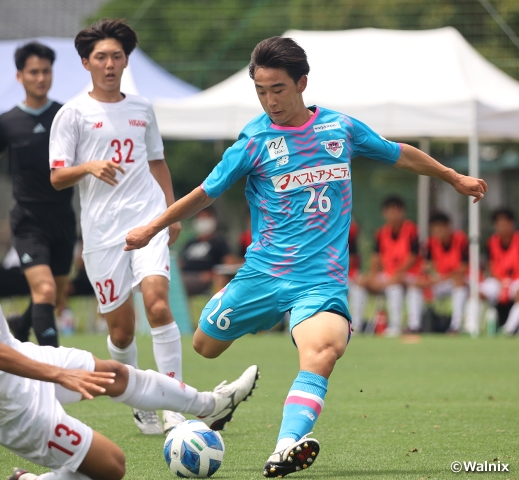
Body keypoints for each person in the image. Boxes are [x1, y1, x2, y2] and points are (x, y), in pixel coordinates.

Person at [0, 57, 259, 480]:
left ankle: (211, 405)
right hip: (3, 399)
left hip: (16, 358)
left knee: (113, 373)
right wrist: (59, 374)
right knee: (112, 467)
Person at [124, 37, 487, 477]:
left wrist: (453, 177)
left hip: (321, 279)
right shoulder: (253, 143)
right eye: (260, 90)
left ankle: (285, 447)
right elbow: (204, 194)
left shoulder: (340, 129)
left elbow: (399, 154)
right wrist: (152, 228)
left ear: (302, 83)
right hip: (262, 275)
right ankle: (226, 396)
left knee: (323, 352)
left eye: (277, 89)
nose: (269, 100)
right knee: (204, 346)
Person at [49, 19, 185, 435]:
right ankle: (139, 398)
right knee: (122, 333)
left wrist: (170, 212)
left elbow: (157, 161)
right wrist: (88, 166)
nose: (110, 64)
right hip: (102, 233)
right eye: (101, 57)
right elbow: (56, 177)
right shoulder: (72, 113)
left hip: (147, 218)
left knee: (158, 304)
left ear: (126, 61)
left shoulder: (143, 108)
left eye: (117, 56)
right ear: (86, 63)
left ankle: (175, 403)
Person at [0, 42, 74, 348]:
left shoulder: (66, 115)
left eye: (46, 71)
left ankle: (21, 326)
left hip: (64, 219)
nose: (41, 78)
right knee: (43, 291)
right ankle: (52, 367)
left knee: (54, 296)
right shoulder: (6, 122)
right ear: (20, 76)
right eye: (34, 72)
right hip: (29, 221)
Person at [367, 196, 424, 335]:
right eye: (389, 211)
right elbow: (376, 257)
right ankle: (357, 325)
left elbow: (412, 257)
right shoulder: (381, 233)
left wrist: (397, 274)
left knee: (402, 288)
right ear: (384, 213)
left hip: (410, 274)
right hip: (390, 275)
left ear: (402, 212)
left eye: (396, 211)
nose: (393, 214)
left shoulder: (411, 229)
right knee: (362, 285)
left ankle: (412, 326)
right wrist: (373, 276)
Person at [421, 212, 468, 333]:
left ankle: (455, 326)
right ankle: (415, 325)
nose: (438, 232)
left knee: (459, 284)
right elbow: (427, 267)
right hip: (441, 281)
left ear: (448, 227)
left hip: (462, 280)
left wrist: (441, 279)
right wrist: (428, 277)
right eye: (435, 230)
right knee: (417, 285)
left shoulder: (460, 239)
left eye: (441, 228)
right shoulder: (431, 243)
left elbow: (462, 269)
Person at [180, 206, 235, 296]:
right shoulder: (190, 243)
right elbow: (181, 262)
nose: (203, 221)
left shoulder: (219, 242)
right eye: (200, 218)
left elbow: (229, 264)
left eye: (206, 217)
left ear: (213, 220)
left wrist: (211, 275)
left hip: (206, 279)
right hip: (185, 276)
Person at [481, 208, 519, 334]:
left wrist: (509, 284)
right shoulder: (491, 242)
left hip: (516, 280)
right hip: (498, 280)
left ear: (512, 223)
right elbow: (491, 267)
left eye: (505, 223)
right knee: (479, 293)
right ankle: (473, 327)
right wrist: (502, 282)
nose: (502, 227)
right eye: (499, 224)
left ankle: (508, 329)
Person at [347, 219, 369, 332]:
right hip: (325, 273)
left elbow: (352, 258)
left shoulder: (349, 229)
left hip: (347, 273)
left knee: (358, 288)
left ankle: (356, 327)